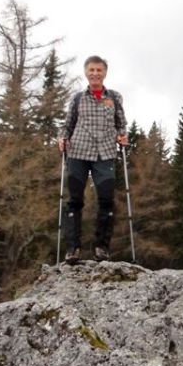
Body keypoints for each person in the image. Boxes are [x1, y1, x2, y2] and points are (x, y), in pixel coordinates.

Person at [58, 55, 129, 262]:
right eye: (92, 70)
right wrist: (62, 138)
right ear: (86, 72)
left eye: (99, 70)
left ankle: (102, 247)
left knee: (106, 199)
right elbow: (67, 125)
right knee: (75, 200)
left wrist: (122, 135)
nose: (95, 73)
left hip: (105, 153)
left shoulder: (114, 98)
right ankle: (73, 249)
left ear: (105, 73)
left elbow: (121, 123)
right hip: (78, 152)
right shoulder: (78, 98)